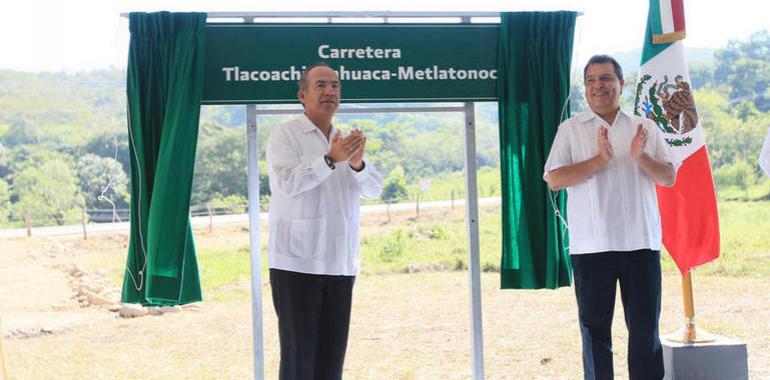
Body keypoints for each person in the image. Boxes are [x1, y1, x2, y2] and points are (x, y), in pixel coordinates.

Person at [544, 55, 676, 379]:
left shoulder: (644, 128)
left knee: (645, 332)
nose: (598, 86)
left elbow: (669, 176)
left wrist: (641, 156)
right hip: (591, 248)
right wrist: (598, 160)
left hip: (640, 244)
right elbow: (554, 178)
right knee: (594, 333)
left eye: (605, 78)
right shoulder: (571, 129)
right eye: (591, 80)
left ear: (621, 83)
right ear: (585, 87)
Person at [265, 63, 383, 380]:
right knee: (299, 358)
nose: (330, 91)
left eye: (335, 85)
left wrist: (357, 164)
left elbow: (374, 188)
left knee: (331, 360)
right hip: (297, 263)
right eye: (320, 85)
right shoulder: (285, 134)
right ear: (302, 95)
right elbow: (287, 182)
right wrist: (330, 160)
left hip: (341, 263)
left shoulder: (344, 141)